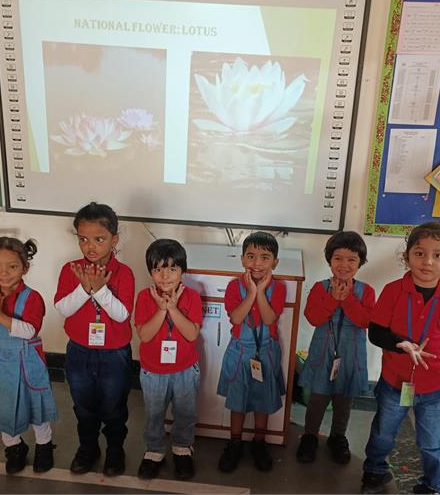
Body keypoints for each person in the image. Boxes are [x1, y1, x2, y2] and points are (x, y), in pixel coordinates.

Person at [361, 221, 440, 494]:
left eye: (438, 255)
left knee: (431, 443)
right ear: (407, 256)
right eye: (420, 253)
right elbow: (376, 332)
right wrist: (399, 344)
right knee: (383, 433)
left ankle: (433, 485)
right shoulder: (392, 291)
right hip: (393, 383)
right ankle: (374, 471)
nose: (428, 261)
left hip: (434, 390)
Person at [54, 202, 135, 477]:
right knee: (84, 405)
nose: (90, 247)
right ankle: (88, 447)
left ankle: (115, 449)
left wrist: (100, 290)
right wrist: (84, 287)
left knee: (114, 406)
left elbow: (122, 315)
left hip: (114, 353)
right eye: (83, 239)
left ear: (114, 240)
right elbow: (63, 308)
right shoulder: (70, 269)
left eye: (99, 239)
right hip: (79, 351)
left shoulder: (124, 273)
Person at [0, 237, 57, 474]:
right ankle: (14, 447)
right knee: (3, 404)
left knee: (36, 406)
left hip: (28, 363)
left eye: (12, 266)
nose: (3, 273)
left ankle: (44, 445)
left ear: (25, 267)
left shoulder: (32, 297)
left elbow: (29, 331)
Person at [296, 231, 375, 464]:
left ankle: (338, 437)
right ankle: (309, 437)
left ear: (360, 262)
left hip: (351, 354)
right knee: (318, 398)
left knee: (344, 399)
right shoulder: (320, 288)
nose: (344, 265)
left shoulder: (366, 291)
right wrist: (333, 299)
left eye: (352, 259)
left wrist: (347, 299)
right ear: (329, 260)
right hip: (323, 350)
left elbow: (366, 321)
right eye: (338, 258)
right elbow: (313, 318)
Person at [217, 231, 286, 473]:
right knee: (237, 401)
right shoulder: (234, 286)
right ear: (242, 259)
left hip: (266, 352)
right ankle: (234, 442)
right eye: (251, 256)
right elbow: (236, 318)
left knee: (262, 400)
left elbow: (269, 319)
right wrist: (252, 293)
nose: (257, 263)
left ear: (275, 262)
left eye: (265, 257)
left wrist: (262, 292)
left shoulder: (278, 288)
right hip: (240, 352)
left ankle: (259, 442)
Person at [134, 239, 203, 481]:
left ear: (183, 270)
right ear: (151, 271)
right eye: (158, 269)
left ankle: (182, 448)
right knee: (154, 413)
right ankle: (154, 450)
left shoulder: (192, 297)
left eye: (172, 269)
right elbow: (144, 335)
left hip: (185, 369)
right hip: (153, 371)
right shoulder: (145, 297)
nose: (165, 276)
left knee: (185, 412)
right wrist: (161, 309)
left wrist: (173, 308)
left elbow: (192, 334)